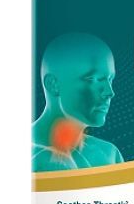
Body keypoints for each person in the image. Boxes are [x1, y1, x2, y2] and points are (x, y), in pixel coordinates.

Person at [32, 33, 123, 171]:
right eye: (92, 79)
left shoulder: (109, 155)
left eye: (110, 79)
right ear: (53, 84)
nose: (109, 92)